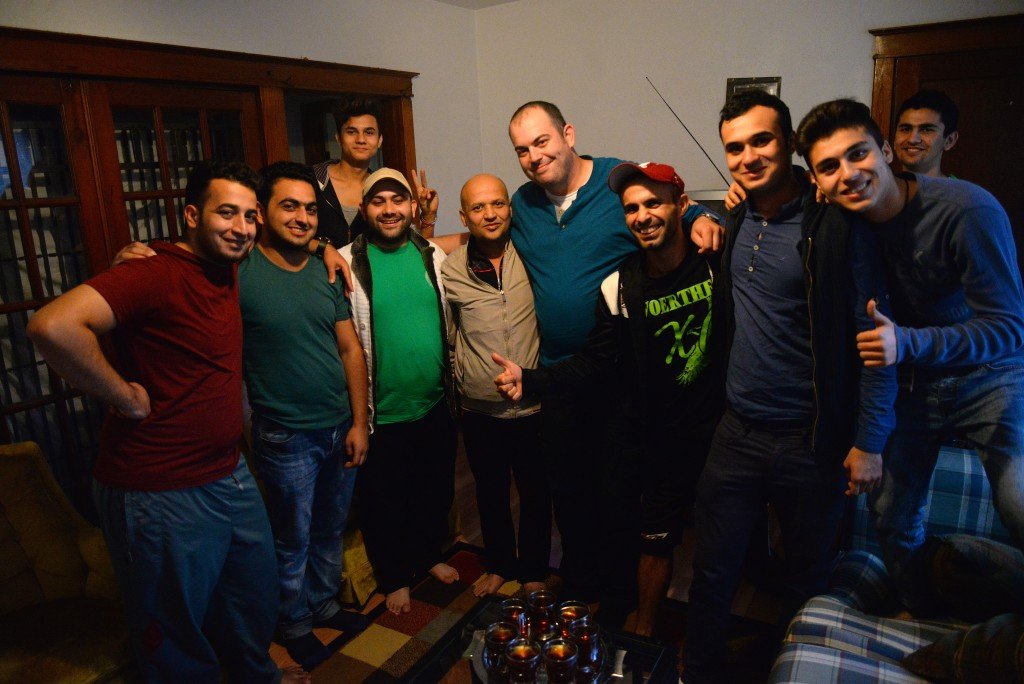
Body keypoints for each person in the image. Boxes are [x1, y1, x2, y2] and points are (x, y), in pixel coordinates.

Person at [27, 161, 307, 683]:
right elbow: (52, 325)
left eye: (250, 216)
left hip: (226, 471)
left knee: (252, 593)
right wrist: (124, 395)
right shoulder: (154, 271)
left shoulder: (225, 268)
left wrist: (326, 247)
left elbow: (292, 244)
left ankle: (255, 675)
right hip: (159, 486)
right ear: (192, 215)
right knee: (172, 632)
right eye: (227, 213)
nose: (242, 227)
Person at [683, 91, 894, 683]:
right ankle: (695, 671)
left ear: (789, 144)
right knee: (712, 571)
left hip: (810, 441)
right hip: (736, 433)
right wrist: (694, 214)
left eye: (762, 140)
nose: (748, 157)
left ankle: (789, 670)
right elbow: (673, 205)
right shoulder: (733, 216)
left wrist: (869, 440)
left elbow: (874, 340)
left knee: (805, 580)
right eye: (734, 147)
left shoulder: (838, 224)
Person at [797, 97, 1024, 609]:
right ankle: (921, 612)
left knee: (1016, 500)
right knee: (892, 514)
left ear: (885, 149)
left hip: (989, 375)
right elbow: (877, 344)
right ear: (816, 182)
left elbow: (1009, 328)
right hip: (913, 384)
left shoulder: (968, 208)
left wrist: (910, 342)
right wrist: (870, 441)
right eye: (829, 167)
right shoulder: (850, 231)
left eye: (858, 154)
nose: (849, 174)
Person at [506, 101, 719, 622]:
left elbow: (676, 210)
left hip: (617, 374)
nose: (535, 156)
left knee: (617, 494)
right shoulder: (524, 203)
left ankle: (622, 598)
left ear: (568, 133)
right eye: (522, 149)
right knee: (569, 495)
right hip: (558, 374)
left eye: (542, 141)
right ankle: (582, 586)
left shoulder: (615, 184)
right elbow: (479, 234)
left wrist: (709, 218)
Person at [241, 162, 370, 670]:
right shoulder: (241, 268)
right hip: (284, 434)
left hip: (339, 425)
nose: (301, 218)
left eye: (310, 209)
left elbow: (349, 350)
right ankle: (292, 621)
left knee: (330, 527)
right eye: (288, 206)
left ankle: (323, 604)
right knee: (290, 536)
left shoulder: (326, 267)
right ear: (262, 212)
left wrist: (359, 423)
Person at [340, 168, 459, 616]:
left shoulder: (432, 254)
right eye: (378, 201)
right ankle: (394, 576)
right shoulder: (343, 261)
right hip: (379, 411)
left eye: (398, 200)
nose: (389, 209)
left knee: (433, 491)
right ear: (364, 210)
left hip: (433, 402)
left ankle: (428, 557)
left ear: (413, 207)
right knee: (384, 500)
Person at [441, 173, 551, 597]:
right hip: (481, 409)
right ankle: (500, 565)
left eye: (498, 204)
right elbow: (449, 335)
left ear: (510, 207)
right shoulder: (450, 270)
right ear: (464, 216)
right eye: (479, 207)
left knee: (537, 492)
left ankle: (536, 570)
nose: (490, 214)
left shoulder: (533, 254)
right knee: (489, 492)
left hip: (534, 404)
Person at [313, 97, 438, 248]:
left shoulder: (382, 188)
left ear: (379, 140)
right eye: (352, 132)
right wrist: (322, 248)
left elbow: (414, 250)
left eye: (369, 132)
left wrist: (428, 215)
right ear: (339, 138)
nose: (361, 139)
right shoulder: (312, 180)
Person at [893, 89, 959, 178]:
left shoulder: (965, 192)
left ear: (949, 141)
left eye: (926, 130)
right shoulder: (877, 190)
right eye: (906, 129)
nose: (912, 139)